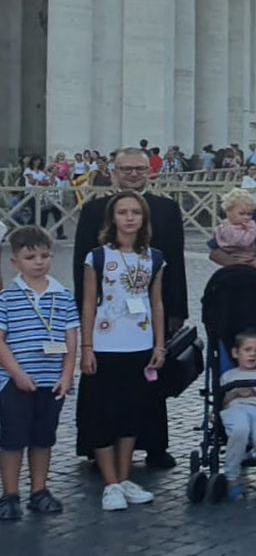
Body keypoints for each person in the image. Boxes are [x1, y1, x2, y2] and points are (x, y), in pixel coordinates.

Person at [71, 147, 187, 468]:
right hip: (107, 314)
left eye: (139, 169)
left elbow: (175, 264)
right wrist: (85, 314)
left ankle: (154, 445)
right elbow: (82, 263)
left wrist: (177, 312)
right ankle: (97, 446)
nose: (133, 174)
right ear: (114, 171)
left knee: (150, 380)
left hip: (150, 313)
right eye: (126, 169)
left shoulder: (166, 208)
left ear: (150, 171)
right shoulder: (93, 209)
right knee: (101, 385)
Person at [78, 191, 166, 511]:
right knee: (103, 413)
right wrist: (87, 347)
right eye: (122, 212)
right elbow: (89, 303)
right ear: (112, 218)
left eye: (135, 213)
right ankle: (110, 482)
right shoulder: (97, 257)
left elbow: (155, 302)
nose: (129, 218)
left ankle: (125, 477)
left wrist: (159, 343)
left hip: (139, 344)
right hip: (105, 344)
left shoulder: (154, 257)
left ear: (143, 219)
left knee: (132, 412)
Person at [0, 226, 78, 519]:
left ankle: (39, 489)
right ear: (15, 262)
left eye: (44, 255)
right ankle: (9, 493)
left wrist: (67, 375)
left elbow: (71, 340)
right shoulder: (7, 298)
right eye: (30, 256)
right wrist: (16, 373)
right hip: (15, 381)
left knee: (44, 437)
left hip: (51, 380)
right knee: (12, 439)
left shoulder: (64, 296)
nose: (39, 262)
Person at [217, 330, 256, 501]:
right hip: (236, 409)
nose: (252, 354)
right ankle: (231, 477)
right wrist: (236, 393)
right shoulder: (229, 376)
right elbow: (223, 401)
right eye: (248, 350)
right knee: (240, 430)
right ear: (236, 353)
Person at [212, 189, 256, 260]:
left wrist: (251, 229)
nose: (246, 217)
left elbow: (244, 242)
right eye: (241, 213)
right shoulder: (223, 225)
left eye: (249, 214)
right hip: (228, 257)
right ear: (228, 211)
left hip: (247, 257)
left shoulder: (251, 226)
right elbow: (218, 241)